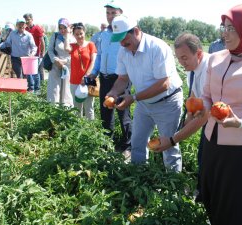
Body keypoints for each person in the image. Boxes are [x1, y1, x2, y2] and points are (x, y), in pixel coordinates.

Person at [155, 3, 242, 225]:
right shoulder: (216, 59)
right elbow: (207, 96)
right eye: (223, 26)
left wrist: (239, 123)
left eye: (231, 28)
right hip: (212, 140)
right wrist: (198, 106)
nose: (225, 33)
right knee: (212, 196)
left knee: (233, 206)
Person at [106, 15, 183, 172]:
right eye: (119, 41)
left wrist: (133, 98)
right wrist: (113, 93)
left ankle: (173, 186)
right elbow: (122, 78)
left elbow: (164, 83)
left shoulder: (157, 47)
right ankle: (139, 177)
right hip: (144, 102)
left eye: (125, 40)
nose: (123, 44)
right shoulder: (124, 51)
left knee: (168, 145)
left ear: (136, 31)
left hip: (167, 102)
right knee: (138, 142)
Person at [90, 0, 132, 154]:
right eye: (108, 13)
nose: (110, 16)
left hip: (120, 76)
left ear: (121, 13)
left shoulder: (125, 33)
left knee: (123, 111)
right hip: (105, 76)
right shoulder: (104, 34)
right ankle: (107, 142)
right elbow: (100, 55)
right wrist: (95, 71)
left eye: (113, 13)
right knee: (106, 109)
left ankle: (128, 146)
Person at [174, 32, 210, 200]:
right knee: (203, 156)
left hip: (220, 122)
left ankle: (207, 197)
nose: (181, 63)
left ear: (199, 53)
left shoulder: (211, 69)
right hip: (208, 121)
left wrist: (176, 138)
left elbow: (205, 114)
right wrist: (187, 121)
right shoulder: (192, 69)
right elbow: (194, 99)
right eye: (179, 59)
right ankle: (202, 193)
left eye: (184, 58)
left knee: (210, 159)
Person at [64, 22, 97, 119]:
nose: (79, 36)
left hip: (88, 80)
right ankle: (78, 130)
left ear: (84, 33)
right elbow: (66, 48)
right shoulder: (73, 46)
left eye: (81, 33)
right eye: (76, 34)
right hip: (74, 81)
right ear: (73, 35)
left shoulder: (91, 45)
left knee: (89, 108)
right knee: (77, 108)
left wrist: (86, 76)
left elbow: (93, 62)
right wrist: (67, 34)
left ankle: (90, 131)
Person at [46, 18, 73, 107]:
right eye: (60, 28)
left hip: (68, 67)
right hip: (55, 66)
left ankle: (66, 111)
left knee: (67, 90)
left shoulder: (73, 38)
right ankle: (53, 110)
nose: (62, 30)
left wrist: (65, 61)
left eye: (64, 28)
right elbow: (50, 50)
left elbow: (75, 54)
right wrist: (55, 60)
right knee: (54, 89)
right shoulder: (55, 36)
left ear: (69, 27)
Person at [23, 13, 45, 93]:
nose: (27, 21)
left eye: (28, 19)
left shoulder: (37, 28)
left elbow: (42, 41)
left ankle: (37, 89)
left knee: (35, 72)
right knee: (28, 72)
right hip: (28, 54)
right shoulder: (26, 29)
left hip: (37, 53)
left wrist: (42, 52)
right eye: (26, 20)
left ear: (32, 19)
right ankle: (31, 88)